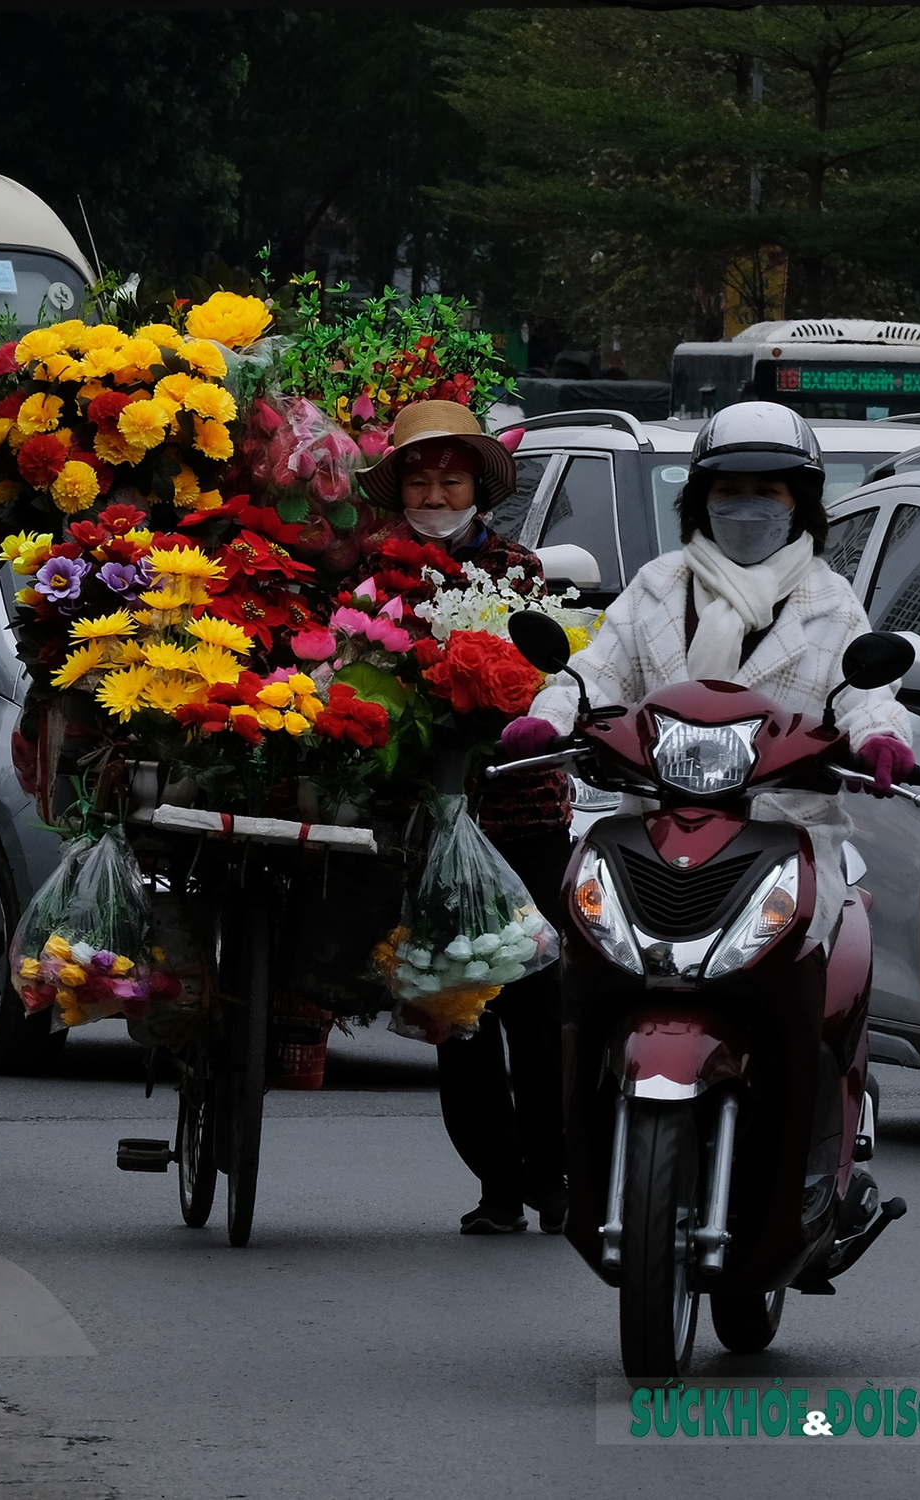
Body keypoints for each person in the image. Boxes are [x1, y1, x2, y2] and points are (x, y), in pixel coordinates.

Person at [501, 402, 917, 1004]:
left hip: (784, 831)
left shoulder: (833, 601)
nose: (747, 507)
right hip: (651, 826)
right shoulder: (657, 586)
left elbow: (864, 694)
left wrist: (881, 739)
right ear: (702, 499)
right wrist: (549, 720)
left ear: (798, 501)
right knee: (588, 969)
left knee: (796, 985)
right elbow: (594, 675)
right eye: (730, 490)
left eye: (766, 491)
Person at [356, 400, 573, 1235]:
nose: (436, 493)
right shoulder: (374, 574)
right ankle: (498, 1184)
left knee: (537, 999)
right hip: (421, 822)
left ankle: (558, 1176)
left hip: (520, 818)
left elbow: (545, 674)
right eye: (421, 478)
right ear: (400, 486)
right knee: (457, 1005)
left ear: (477, 488)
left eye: (451, 479)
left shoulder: (518, 568)